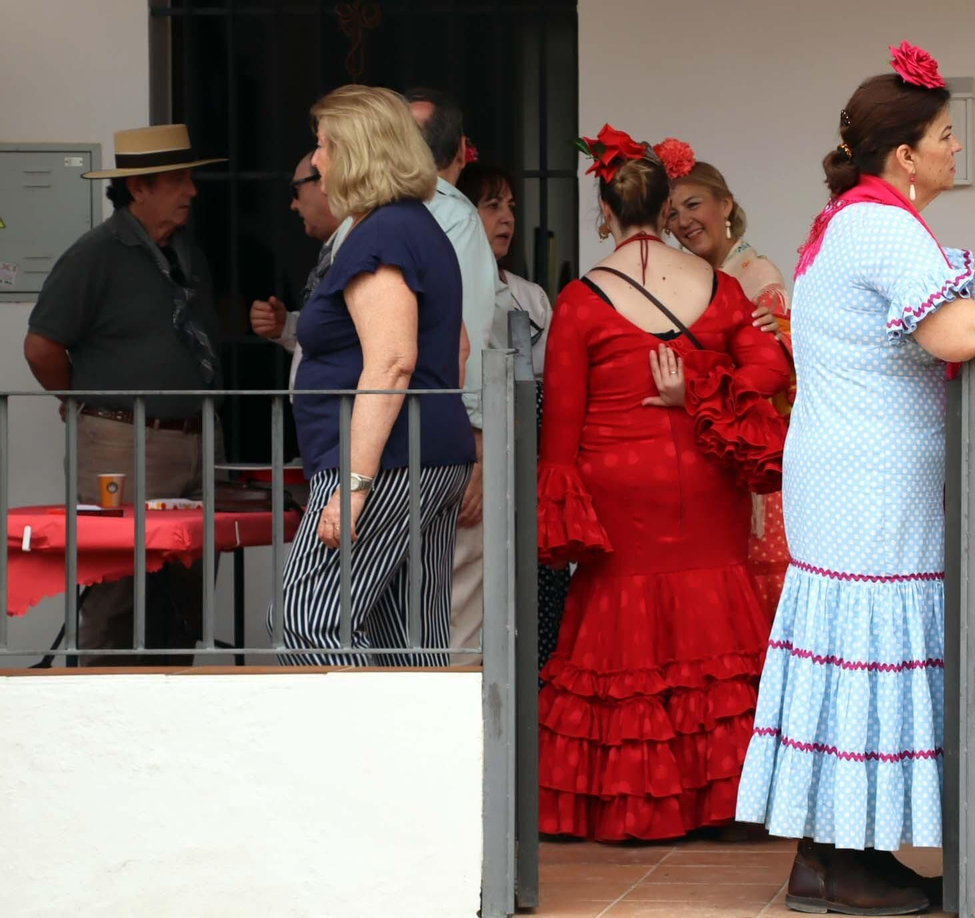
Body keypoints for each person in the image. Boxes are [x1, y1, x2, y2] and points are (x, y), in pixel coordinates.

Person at [735, 43, 975, 915]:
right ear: (905, 155)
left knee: (854, 654)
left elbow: (972, 281)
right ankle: (845, 862)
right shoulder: (880, 227)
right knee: (867, 653)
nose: (956, 147)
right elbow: (960, 330)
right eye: (945, 135)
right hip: (868, 480)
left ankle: (830, 860)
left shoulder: (862, 219)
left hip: (850, 474)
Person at [536, 125, 791, 842]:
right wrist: (699, 386)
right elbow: (771, 369)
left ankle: (631, 802)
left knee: (619, 626)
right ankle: (725, 800)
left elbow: (560, 432)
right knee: (717, 617)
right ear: (664, 207)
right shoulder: (720, 286)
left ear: (605, 212)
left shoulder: (580, 300)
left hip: (617, 484)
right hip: (706, 477)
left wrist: (559, 517)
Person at [273, 85, 476, 666]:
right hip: (427, 454)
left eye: (322, 145)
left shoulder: (382, 233)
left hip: (383, 460)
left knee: (308, 623)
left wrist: (354, 485)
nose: (316, 161)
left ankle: (355, 733)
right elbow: (458, 345)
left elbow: (391, 361)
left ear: (355, 151)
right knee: (409, 645)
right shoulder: (414, 226)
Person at [23, 124, 226, 665]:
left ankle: (170, 691)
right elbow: (41, 346)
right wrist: (80, 401)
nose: (192, 191)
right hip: (123, 441)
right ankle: (95, 694)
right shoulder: (95, 254)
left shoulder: (186, 251)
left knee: (187, 586)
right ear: (139, 187)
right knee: (116, 585)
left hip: (196, 438)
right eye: (179, 180)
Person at [665, 153, 795, 622]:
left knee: (760, 584)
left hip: (752, 441)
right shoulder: (689, 280)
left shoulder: (756, 276)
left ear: (725, 205)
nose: (683, 221)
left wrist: (696, 389)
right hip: (708, 437)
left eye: (693, 205)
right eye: (672, 214)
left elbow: (775, 373)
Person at [457, 159, 566, 673]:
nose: (507, 218)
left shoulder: (530, 296)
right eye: (492, 205)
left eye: (511, 207)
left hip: (524, 461)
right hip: (470, 461)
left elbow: (548, 383)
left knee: (529, 588)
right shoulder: (451, 289)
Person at [248, 152, 340, 398]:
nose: (293, 205)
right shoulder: (336, 248)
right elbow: (338, 331)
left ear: (325, 182)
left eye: (295, 190)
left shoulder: (361, 246)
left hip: (344, 413)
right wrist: (287, 326)